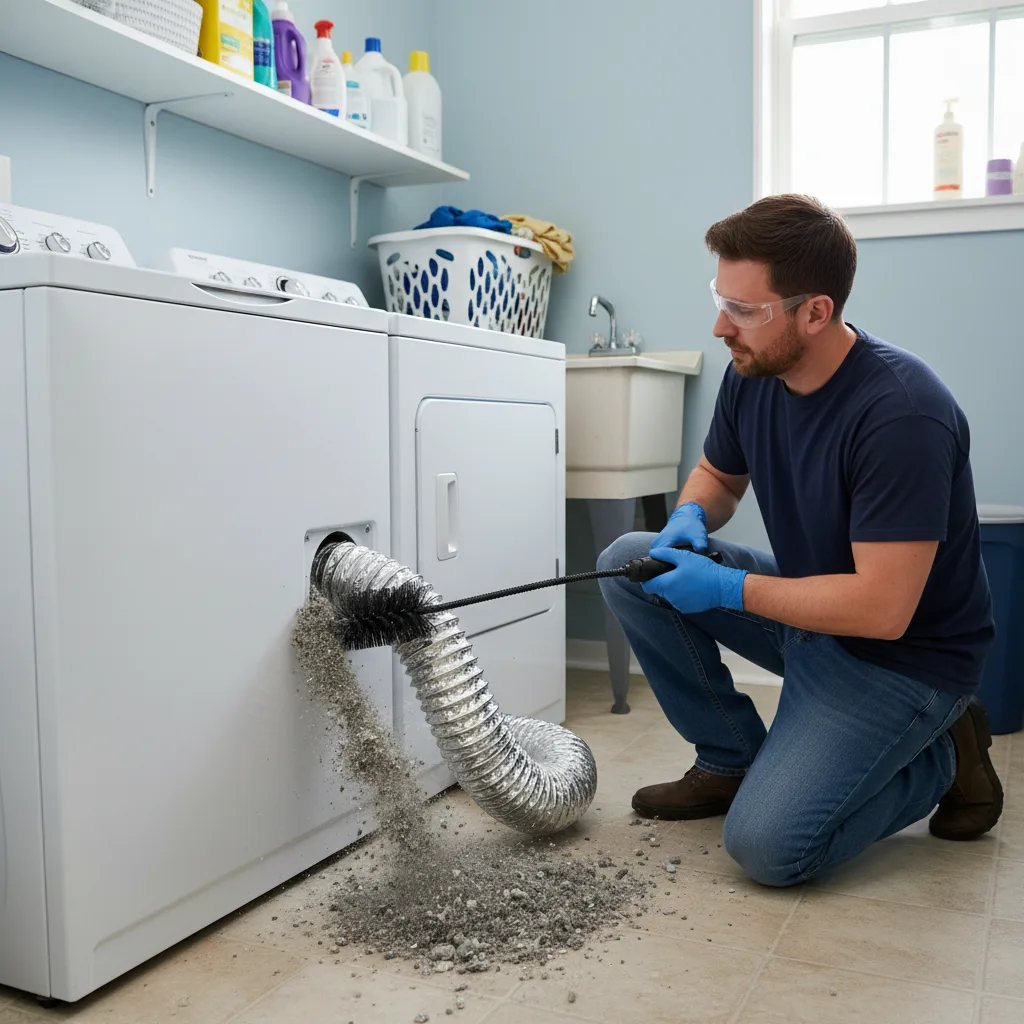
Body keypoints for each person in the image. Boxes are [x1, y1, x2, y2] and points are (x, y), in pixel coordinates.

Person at [597, 193, 1002, 887]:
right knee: (624, 564)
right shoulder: (753, 372)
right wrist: (689, 518)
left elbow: (883, 610)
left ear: (816, 311)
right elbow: (716, 479)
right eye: (720, 299)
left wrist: (727, 588)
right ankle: (728, 760)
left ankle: (942, 755)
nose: (722, 326)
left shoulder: (903, 415)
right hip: (813, 617)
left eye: (745, 311)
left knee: (768, 848)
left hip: (902, 661)